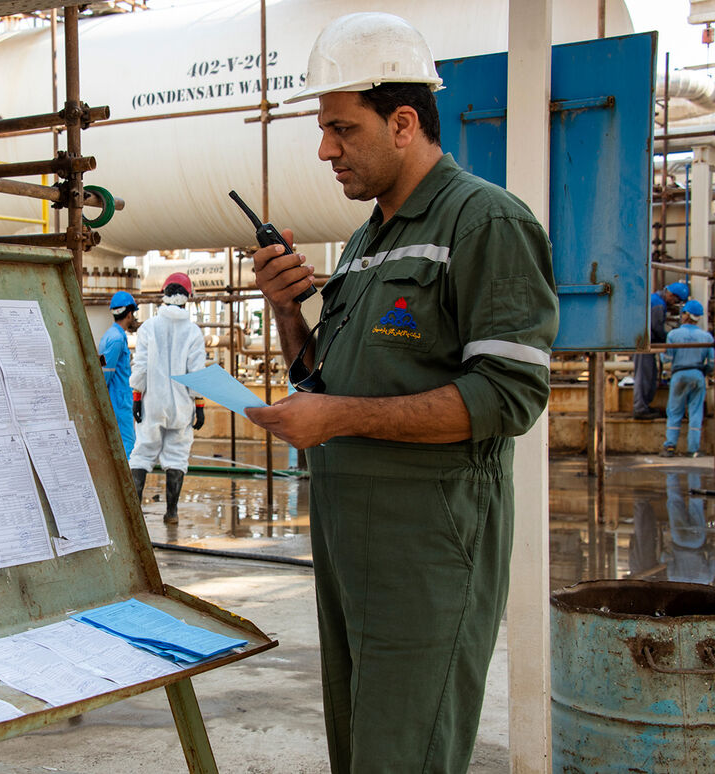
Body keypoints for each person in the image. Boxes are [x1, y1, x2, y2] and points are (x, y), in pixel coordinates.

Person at [243, 12, 559, 772]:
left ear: (404, 123)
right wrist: (288, 312)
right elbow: (322, 376)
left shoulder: (485, 222)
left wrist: (334, 417)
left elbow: (509, 396)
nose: (325, 149)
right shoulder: (364, 242)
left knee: (405, 756)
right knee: (362, 753)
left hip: (428, 552)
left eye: (342, 129)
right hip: (353, 547)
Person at [128, 271, 206, 524]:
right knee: (177, 456)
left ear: (164, 295)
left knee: (142, 453)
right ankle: (171, 513)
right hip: (181, 405)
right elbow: (197, 372)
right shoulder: (193, 332)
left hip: (153, 402)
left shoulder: (149, 327)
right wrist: (199, 405)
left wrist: (137, 397)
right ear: (188, 298)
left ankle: (134, 514)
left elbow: (139, 366)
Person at [660, 299, 713, 457]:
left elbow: (666, 359)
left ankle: (670, 446)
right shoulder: (706, 337)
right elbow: (711, 362)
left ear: (685, 315)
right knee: (696, 412)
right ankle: (693, 449)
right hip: (697, 374)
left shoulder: (673, 335)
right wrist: (706, 371)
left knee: (675, 411)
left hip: (679, 375)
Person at [633, 281, 690, 419]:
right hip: (644, 344)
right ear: (671, 295)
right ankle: (640, 408)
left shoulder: (655, 299)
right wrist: (668, 339)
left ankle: (644, 406)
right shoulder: (658, 305)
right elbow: (657, 328)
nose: (674, 303)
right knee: (644, 376)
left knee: (649, 373)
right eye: (676, 300)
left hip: (642, 342)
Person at [98, 291, 139, 456]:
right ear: (129, 314)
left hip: (118, 399)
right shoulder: (116, 339)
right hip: (118, 401)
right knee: (127, 448)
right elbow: (105, 374)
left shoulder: (112, 335)